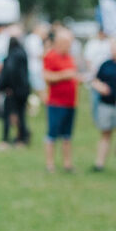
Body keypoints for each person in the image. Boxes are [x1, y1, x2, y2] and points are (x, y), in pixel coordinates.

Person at [42, 28, 79, 172]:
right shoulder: (50, 56)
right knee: (52, 134)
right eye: (67, 42)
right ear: (59, 42)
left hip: (70, 102)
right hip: (56, 103)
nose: (69, 45)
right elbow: (47, 76)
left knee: (67, 135)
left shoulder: (70, 57)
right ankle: (50, 164)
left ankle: (67, 164)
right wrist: (65, 75)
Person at [91, 39, 116, 172]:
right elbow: (95, 80)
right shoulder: (106, 64)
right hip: (106, 104)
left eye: (115, 47)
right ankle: (99, 163)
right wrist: (99, 87)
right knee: (105, 133)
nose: (113, 50)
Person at [0, 35, 30, 149]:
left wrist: (3, 86)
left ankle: (6, 139)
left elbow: (9, 71)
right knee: (21, 115)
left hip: (12, 90)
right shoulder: (23, 54)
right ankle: (22, 138)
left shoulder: (11, 56)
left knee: (7, 115)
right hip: (23, 89)